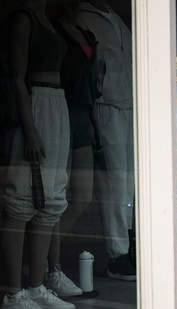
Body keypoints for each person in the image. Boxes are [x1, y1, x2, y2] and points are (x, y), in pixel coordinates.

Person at [0, 1, 75, 308]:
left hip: (57, 105)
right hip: (37, 104)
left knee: (53, 196)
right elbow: (17, 77)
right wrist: (30, 129)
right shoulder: (23, 17)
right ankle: (14, 293)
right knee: (21, 198)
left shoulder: (50, 19)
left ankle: (35, 287)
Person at [43, 4, 102, 297]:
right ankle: (49, 266)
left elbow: (93, 82)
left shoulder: (86, 33)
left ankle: (42, 261)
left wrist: (95, 123)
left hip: (83, 114)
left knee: (82, 195)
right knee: (58, 197)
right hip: (61, 109)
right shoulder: (53, 29)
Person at [76, 0, 135, 281]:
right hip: (107, 104)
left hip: (132, 104)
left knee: (133, 181)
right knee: (115, 182)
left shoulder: (118, 18)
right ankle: (117, 253)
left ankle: (131, 242)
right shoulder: (82, 17)